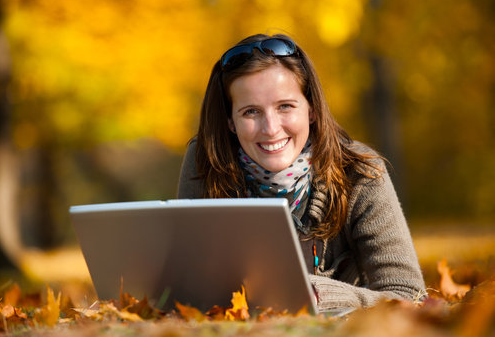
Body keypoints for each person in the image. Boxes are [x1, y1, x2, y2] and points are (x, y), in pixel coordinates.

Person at [177, 33, 426, 312]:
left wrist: (318, 294)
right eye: (250, 112)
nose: (270, 128)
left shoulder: (361, 172)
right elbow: (186, 282)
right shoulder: (206, 162)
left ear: (311, 110)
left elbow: (408, 295)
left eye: (285, 106)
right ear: (231, 122)